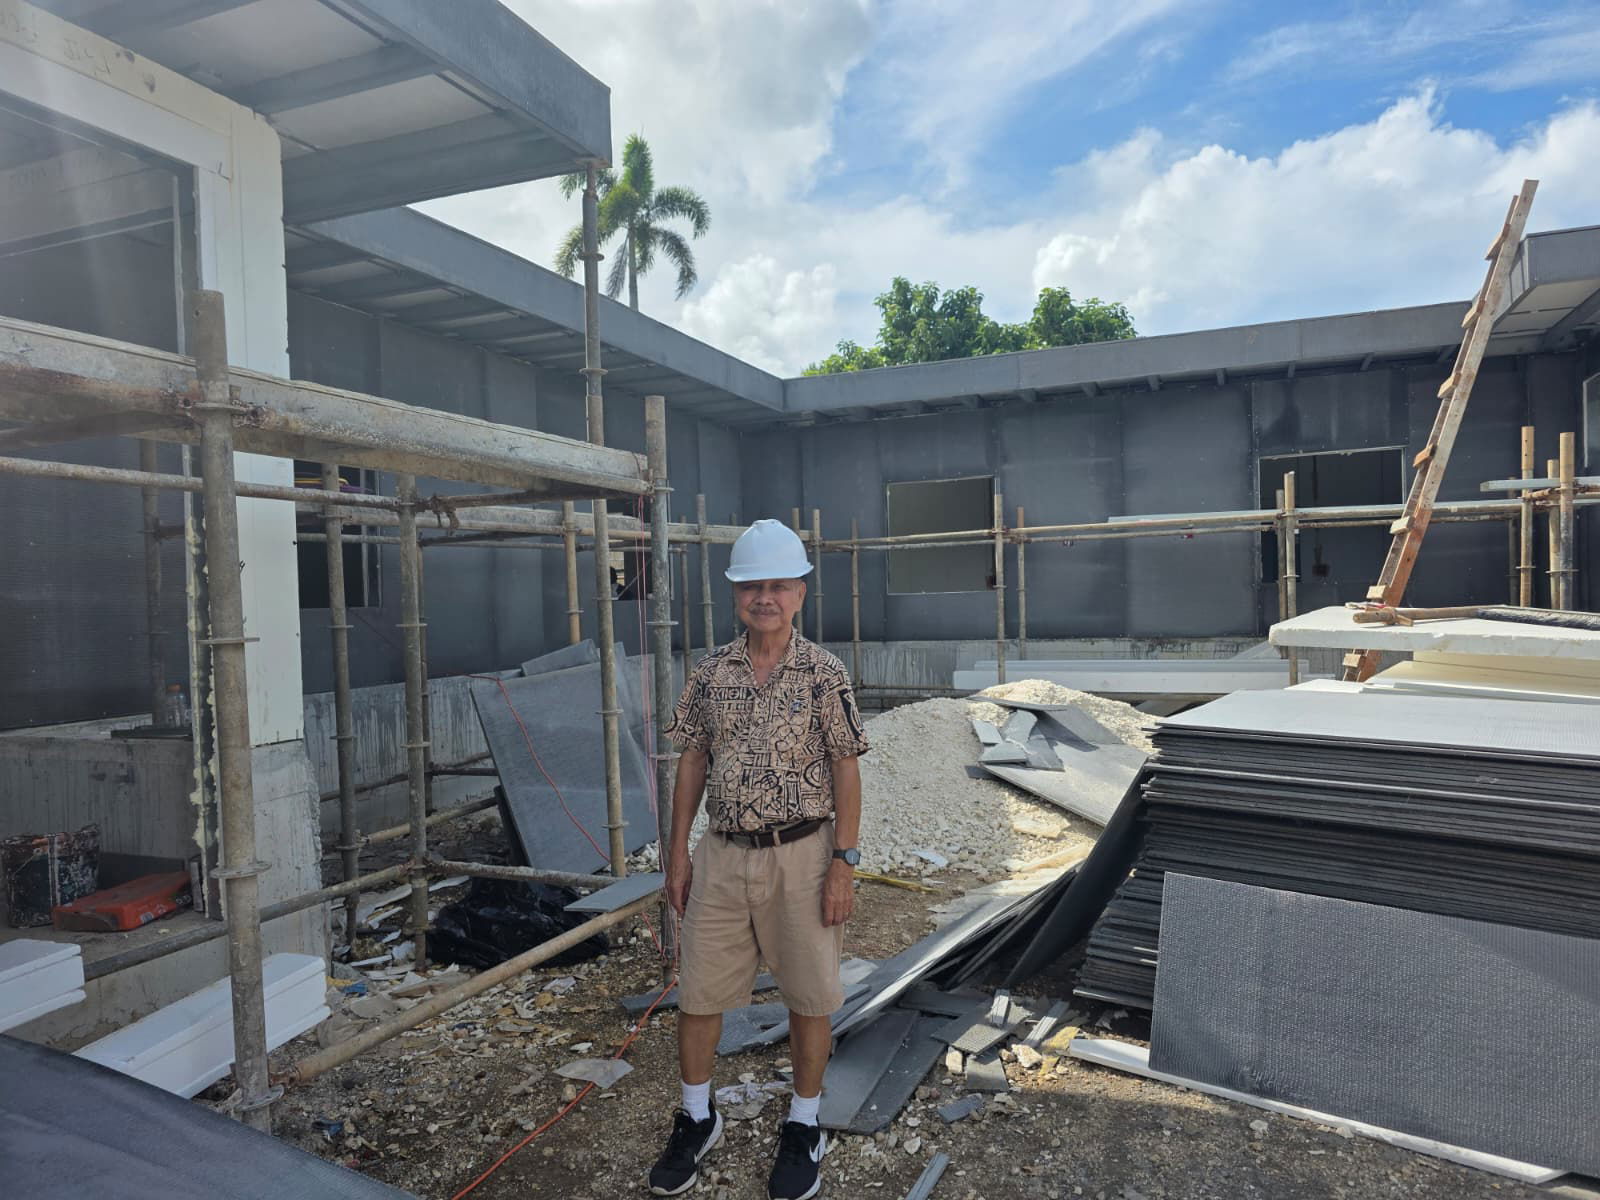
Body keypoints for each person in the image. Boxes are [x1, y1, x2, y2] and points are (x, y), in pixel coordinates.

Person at [647, 519, 869, 1200]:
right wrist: (678, 853)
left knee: (809, 995)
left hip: (802, 856)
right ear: (736, 595)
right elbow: (691, 760)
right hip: (721, 857)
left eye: (777, 585)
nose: (763, 597)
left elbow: (845, 766)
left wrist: (844, 861)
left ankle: (804, 1124)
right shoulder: (710, 673)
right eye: (751, 586)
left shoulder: (824, 672)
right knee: (700, 994)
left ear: (799, 593)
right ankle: (696, 1117)